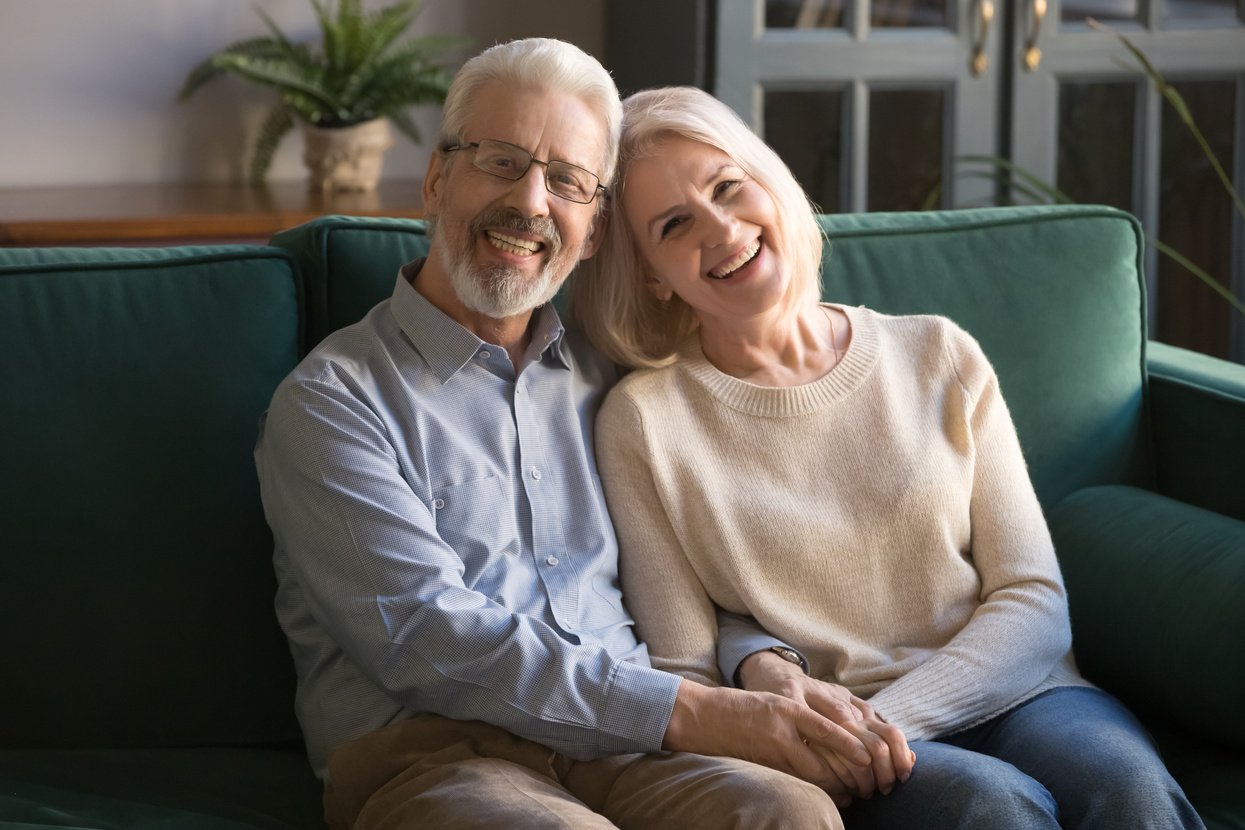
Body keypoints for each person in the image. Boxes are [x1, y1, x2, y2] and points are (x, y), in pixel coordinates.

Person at [254, 39, 890, 830]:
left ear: (591, 231)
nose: (530, 202)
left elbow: (701, 565)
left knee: (787, 813)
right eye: (500, 160)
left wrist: (755, 662)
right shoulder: (332, 402)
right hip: (439, 760)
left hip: (633, 752)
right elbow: (425, 638)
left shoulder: (621, 378)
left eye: (567, 182)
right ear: (435, 179)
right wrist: (695, 713)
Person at [572, 85, 1205, 830]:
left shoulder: (937, 352)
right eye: (675, 223)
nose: (721, 228)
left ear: (769, 182)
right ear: (650, 273)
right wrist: (798, 703)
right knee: (989, 806)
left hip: (1016, 691)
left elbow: (1032, 599)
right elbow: (686, 663)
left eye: (727, 187)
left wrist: (886, 725)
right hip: (828, 731)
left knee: (1125, 786)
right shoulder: (643, 422)